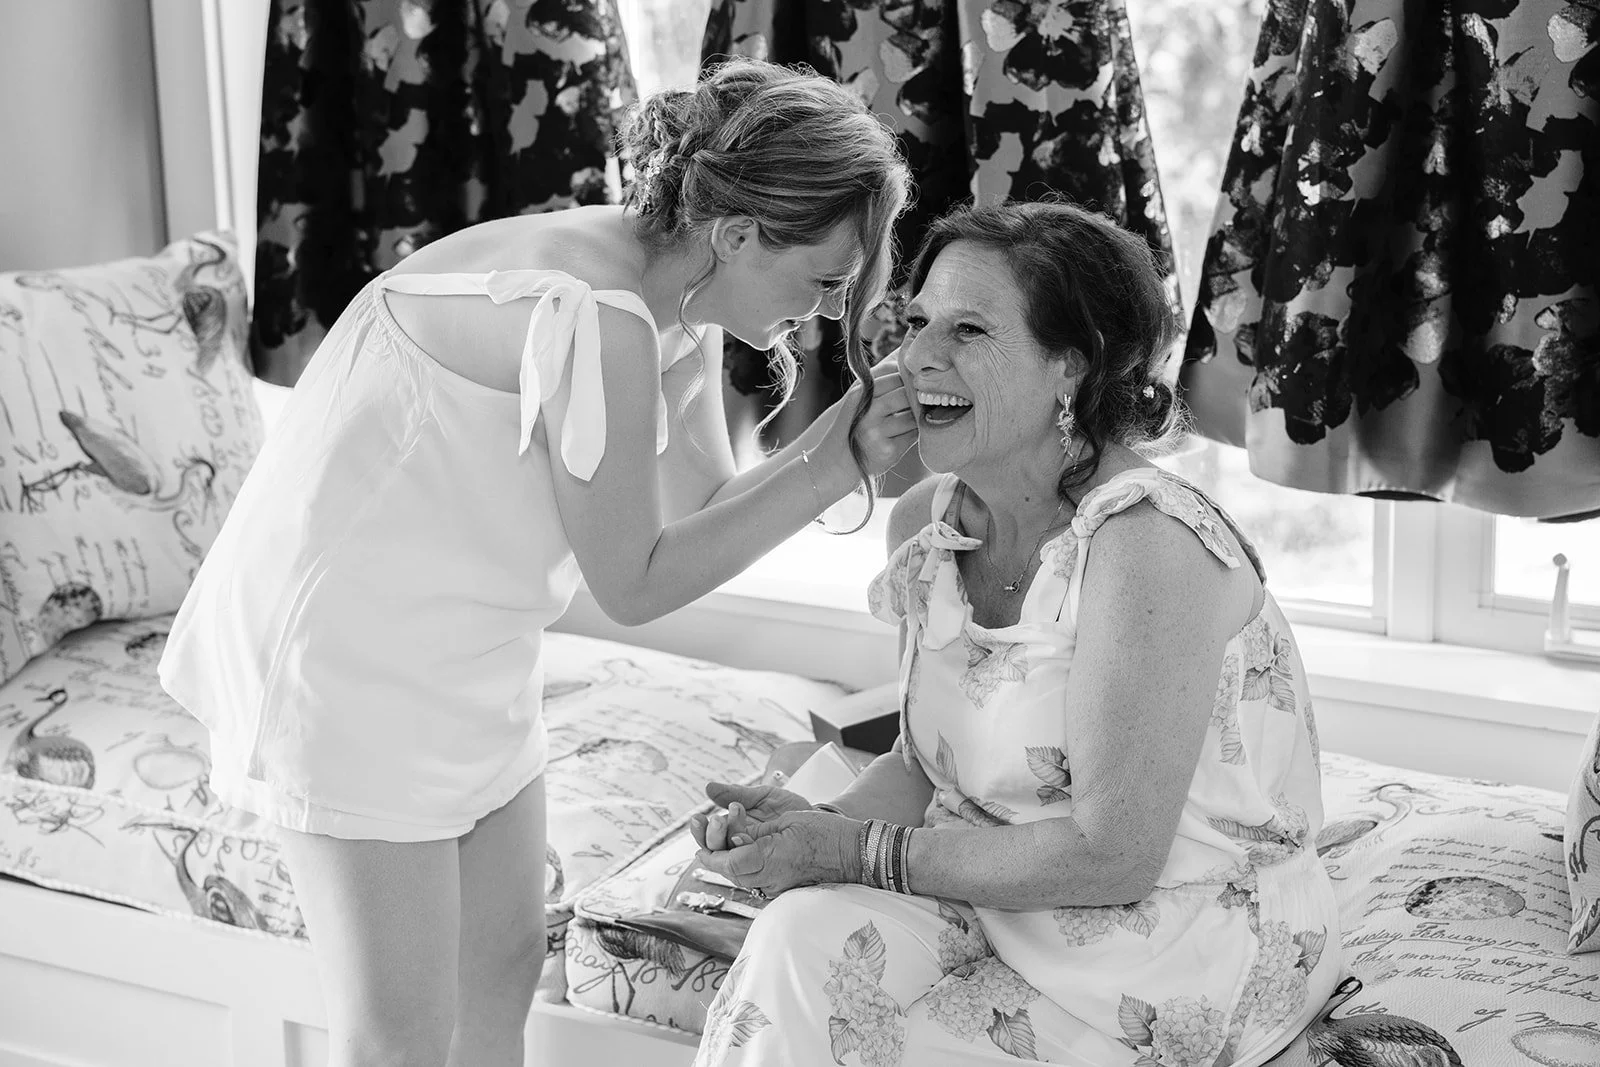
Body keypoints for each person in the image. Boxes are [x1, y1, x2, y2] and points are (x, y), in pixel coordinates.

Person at [157, 59, 913, 1067]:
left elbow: (700, 511)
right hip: (349, 659)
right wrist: (835, 459)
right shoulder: (595, 311)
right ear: (736, 234)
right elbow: (636, 582)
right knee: (400, 1034)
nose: (822, 314)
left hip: (469, 641)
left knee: (504, 964)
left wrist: (833, 447)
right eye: (822, 280)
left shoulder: (663, 294)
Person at [691, 200, 1342, 1067]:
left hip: (1165, 947)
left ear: (1070, 369)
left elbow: (1113, 857)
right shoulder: (930, 523)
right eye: (917, 322)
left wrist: (858, 851)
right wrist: (806, 829)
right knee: (795, 937)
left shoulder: (1147, 542)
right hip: (998, 902)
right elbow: (928, 771)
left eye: (968, 330)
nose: (917, 356)